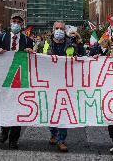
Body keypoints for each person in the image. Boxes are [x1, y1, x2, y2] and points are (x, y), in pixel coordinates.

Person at [0, 13, 33, 150]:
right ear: (10, 22)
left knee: (17, 108)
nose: (16, 23)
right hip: (5, 77)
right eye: (14, 21)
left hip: (19, 78)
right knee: (5, 105)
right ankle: (5, 129)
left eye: (19, 21)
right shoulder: (2, 37)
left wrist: (30, 52)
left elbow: (31, 60)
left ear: (21, 25)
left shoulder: (27, 40)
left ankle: (14, 139)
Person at [43, 20, 73, 152]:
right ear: (53, 30)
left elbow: (83, 58)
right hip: (49, 82)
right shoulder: (44, 44)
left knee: (63, 111)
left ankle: (61, 139)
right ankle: (53, 133)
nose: (59, 30)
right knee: (51, 110)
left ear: (65, 30)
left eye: (62, 28)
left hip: (66, 83)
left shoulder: (73, 44)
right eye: (57, 28)